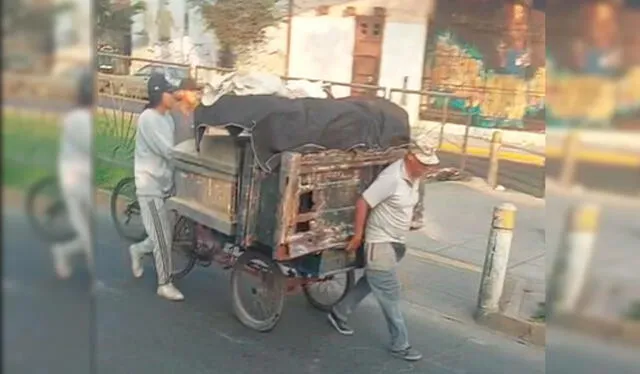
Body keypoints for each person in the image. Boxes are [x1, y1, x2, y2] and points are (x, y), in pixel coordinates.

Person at [326, 144, 441, 362]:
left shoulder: (414, 176)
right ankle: (400, 344)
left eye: (429, 165)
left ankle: (339, 312)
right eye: (424, 164)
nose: (427, 169)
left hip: (396, 242)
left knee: (372, 281)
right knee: (390, 294)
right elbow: (363, 202)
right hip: (380, 244)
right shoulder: (392, 178)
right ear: (410, 159)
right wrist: (358, 236)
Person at [128, 73, 184, 301]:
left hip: (165, 184)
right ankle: (164, 283)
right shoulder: (148, 119)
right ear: (160, 95)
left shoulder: (168, 118)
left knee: (163, 234)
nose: (173, 96)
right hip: (149, 186)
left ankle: (138, 250)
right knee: (162, 238)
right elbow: (168, 151)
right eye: (170, 92)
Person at [51, 68, 94, 279]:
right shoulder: (78, 119)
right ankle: (62, 253)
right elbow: (90, 147)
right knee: (87, 237)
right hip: (74, 181)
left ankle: (63, 252)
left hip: (84, 179)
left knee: (89, 234)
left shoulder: (82, 117)